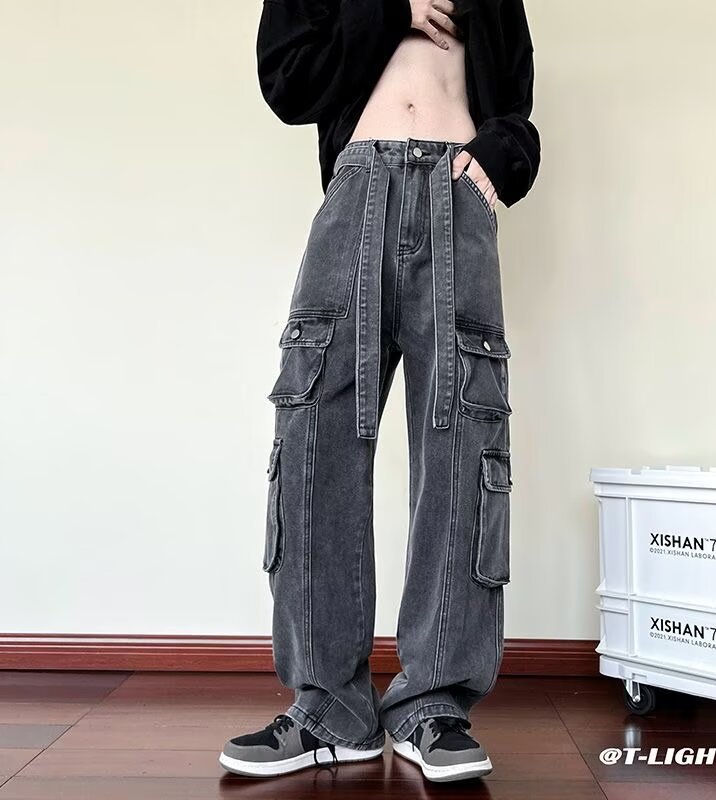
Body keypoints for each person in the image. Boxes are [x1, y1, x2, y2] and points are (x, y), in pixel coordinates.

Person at [219, 0, 540, 783]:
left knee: (463, 441)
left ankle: (435, 702)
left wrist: (497, 160)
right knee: (314, 438)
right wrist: (394, 9)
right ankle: (330, 708)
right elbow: (288, 80)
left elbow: (515, 101)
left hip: (458, 192)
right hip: (356, 189)